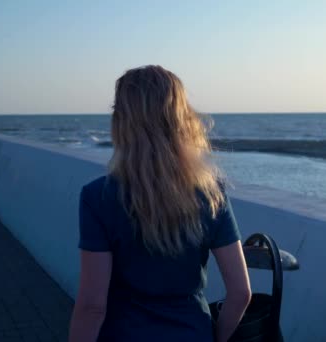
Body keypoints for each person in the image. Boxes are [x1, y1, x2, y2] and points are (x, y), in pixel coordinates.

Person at [69, 65, 251, 342]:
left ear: (122, 121)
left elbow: (92, 307)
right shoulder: (211, 193)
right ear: (181, 119)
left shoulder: (99, 197)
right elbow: (240, 293)